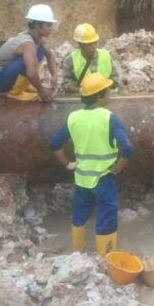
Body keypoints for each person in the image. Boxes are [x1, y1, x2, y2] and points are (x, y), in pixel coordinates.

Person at [49, 73, 133, 255]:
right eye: (108, 91)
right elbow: (127, 147)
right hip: (104, 177)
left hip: (81, 178)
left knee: (79, 214)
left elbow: (54, 143)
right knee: (106, 216)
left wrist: (67, 164)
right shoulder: (109, 118)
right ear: (100, 96)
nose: (110, 94)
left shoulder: (73, 117)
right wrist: (119, 166)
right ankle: (105, 256)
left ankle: (77, 252)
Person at [0, 4, 59, 102]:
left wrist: (54, 75)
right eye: (48, 25)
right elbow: (31, 73)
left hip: (6, 74)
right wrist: (41, 91)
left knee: (40, 51)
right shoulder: (27, 43)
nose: (51, 28)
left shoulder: (38, 39)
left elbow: (50, 56)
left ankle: (23, 87)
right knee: (31, 57)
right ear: (38, 26)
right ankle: (15, 93)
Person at [60, 23, 119, 94]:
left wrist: (102, 88)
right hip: (82, 101)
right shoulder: (70, 60)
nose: (93, 46)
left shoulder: (106, 56)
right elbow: (65, 84)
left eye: (94, 42)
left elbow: (116, 80)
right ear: (80, 44)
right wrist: (80, 91)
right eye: (89, 44)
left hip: (104, 99)